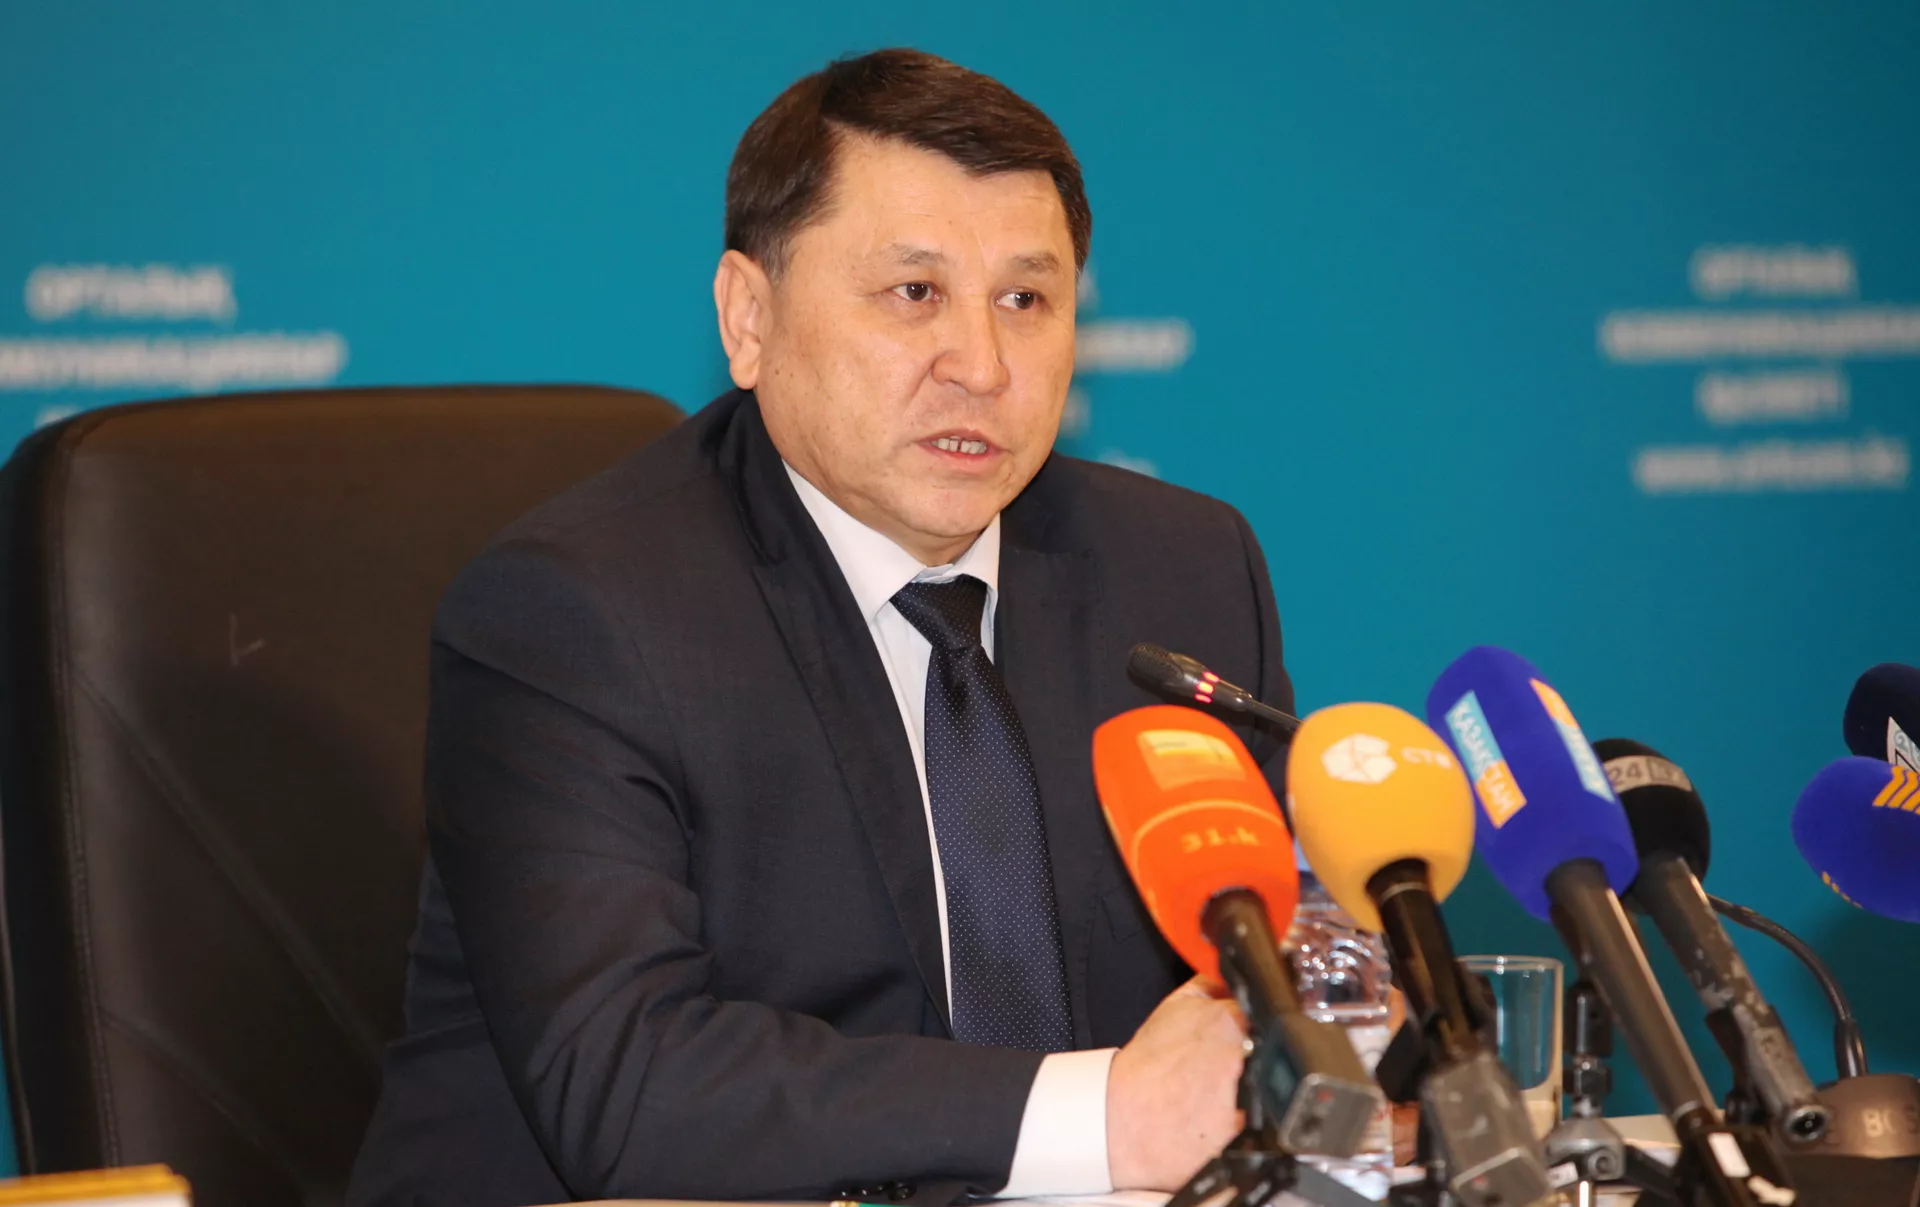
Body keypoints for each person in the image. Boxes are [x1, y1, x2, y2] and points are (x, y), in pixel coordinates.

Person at [348, 48, 1294, 1207]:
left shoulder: (1183, 569)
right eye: (914, 294)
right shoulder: (578, 614)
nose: (982, 365)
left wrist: (1336, 1016)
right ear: (748, 318)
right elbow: (628, 1083)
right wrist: (1110, 1114)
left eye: (1025, 301)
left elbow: (1260, 962)